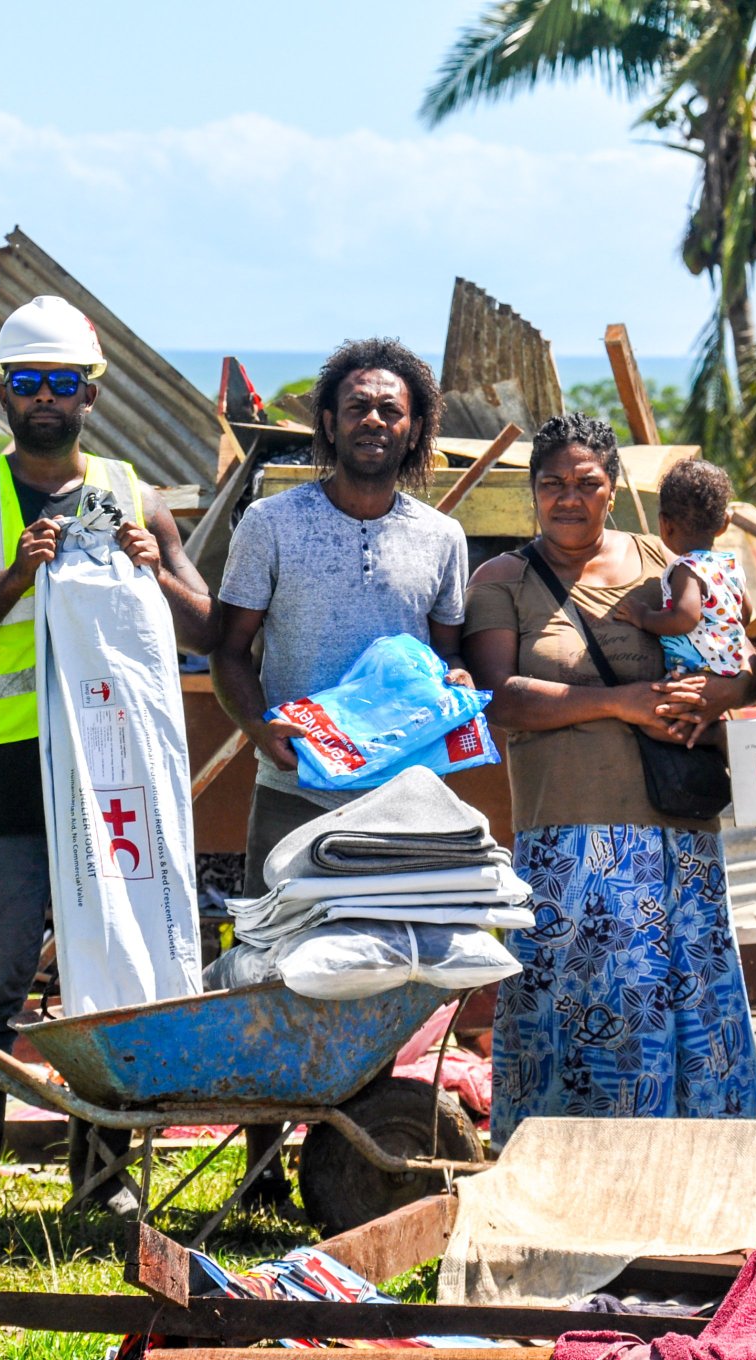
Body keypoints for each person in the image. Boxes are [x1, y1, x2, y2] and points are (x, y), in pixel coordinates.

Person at [0, 295, 216, 1231]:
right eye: (28, 382)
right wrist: (11, 582)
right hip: (9, 776)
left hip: (112, 772)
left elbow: (203, 626)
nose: (45, 398)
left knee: (114, 972)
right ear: (4, 392)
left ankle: (103, 1179)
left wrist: (152, 567)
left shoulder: (136, 494)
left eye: (63, 383)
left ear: (91, 394)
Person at [211, 336, 470, 1208]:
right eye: (357, 405)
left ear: (415, 428)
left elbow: (449, 663)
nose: (372, 419)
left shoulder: (440, 537)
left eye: (390, 409)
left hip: (394, 807)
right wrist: (260, 728)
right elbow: (229, 650)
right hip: (292, 791)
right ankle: (257, 1168)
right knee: (272, 968)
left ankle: (348, 1154)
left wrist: (461, 686)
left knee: (378, 975)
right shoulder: (270, 522)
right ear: (327, 421)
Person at [462, 413, 756, 1144]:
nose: (569, 499)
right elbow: (497, 696)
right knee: (584, 1012)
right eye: (552, 485)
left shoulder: (670, 561)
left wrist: (716, 697)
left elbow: (748, 661)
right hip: (568, 848)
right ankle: (569, 1182)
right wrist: (621, 703)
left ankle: (693, 1186)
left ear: (613, 488)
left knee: (686, 1013)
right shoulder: (502, 580)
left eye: (587, 484)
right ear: (531, 492)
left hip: (678, 843)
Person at [614, 457, 751, 679]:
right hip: (727, 667)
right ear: (724, 524)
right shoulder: (730, 565)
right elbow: (745, 613)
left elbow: (684, 618)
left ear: (665, 524)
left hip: (694, 669)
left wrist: (643, 616)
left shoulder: (687, 570)